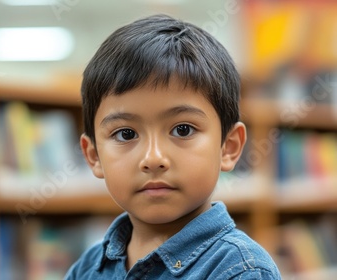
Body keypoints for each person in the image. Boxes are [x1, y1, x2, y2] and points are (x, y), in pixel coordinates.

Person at [65, 14, 281, 279]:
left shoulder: (240, 270)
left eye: (183, 130)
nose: (153, 158)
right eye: (126, 134)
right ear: (94, 155)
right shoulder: (89, 267)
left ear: (229, 147)